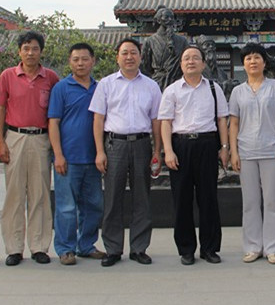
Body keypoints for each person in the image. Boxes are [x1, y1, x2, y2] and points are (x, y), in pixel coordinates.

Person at [90, 38, 162, 267]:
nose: (129, 57)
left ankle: (139, 248)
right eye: (125, 53)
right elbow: (98, 119)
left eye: (133, 52)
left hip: (142, 144)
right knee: (112, 198)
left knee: (142, 197)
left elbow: (156, 121)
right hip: (115, 145)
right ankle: (113, 249)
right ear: (117, 57)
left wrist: (157, 151)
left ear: (140, 57)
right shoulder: (106, 84)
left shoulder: (151, 85)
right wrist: (99, 151)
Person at [0, 31, 59, 266]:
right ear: (19, 51)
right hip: (15, 137)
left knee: (40, 194)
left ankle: (39, 246)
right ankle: (14, 248)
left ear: (41, 51)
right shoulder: (7, 76)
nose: (30, 53)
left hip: (41, 139)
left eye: (35, 48)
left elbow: (56, 113)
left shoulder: (51, 78)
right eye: (26, 48)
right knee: (15, 195)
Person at [159, 45, 229, 265]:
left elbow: (222, 120)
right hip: (181, 146)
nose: (191, 61)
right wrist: (168, 151)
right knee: (182, 199)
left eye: (195, 58)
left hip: (207, 144)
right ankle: (186, 249)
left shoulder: (214, 88)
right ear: (181, 64)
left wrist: (224, 148)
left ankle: (210, 248)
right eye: (186, 58)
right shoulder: (172, 90)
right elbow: (165, 122)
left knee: (208, 198)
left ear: (203, 63)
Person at [229, 43, 275, 264]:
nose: (252, 62)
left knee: (272, 202)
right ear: (243, 64)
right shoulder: (237, 91)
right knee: (250, 202)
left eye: (257, 57)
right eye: (248, 58)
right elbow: (233, 123)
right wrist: (233, 152)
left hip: (272, 151)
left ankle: (272, 248)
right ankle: (253, 247)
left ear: (264, 62)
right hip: (246, 152)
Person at [48, 42, 106, 266]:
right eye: (76, 59)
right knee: (66, 207)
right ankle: (65, 248)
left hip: (93, 158)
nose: (80, 63)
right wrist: (58, 155)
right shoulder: (61, 88)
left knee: (93, 205)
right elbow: (53, 122)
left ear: (93, 61)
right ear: (70, 62)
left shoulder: (100, 88)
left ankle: (87, 245)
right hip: (68, 159)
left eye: (85, 59)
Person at [140, 6, 189, 90]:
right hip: (157, 83)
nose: (170, 20)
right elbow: (145, 66)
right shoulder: (150, 41)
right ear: (159, 20)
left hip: (177, 82)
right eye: (166, 17)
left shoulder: (182, 41)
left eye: (172, 17)